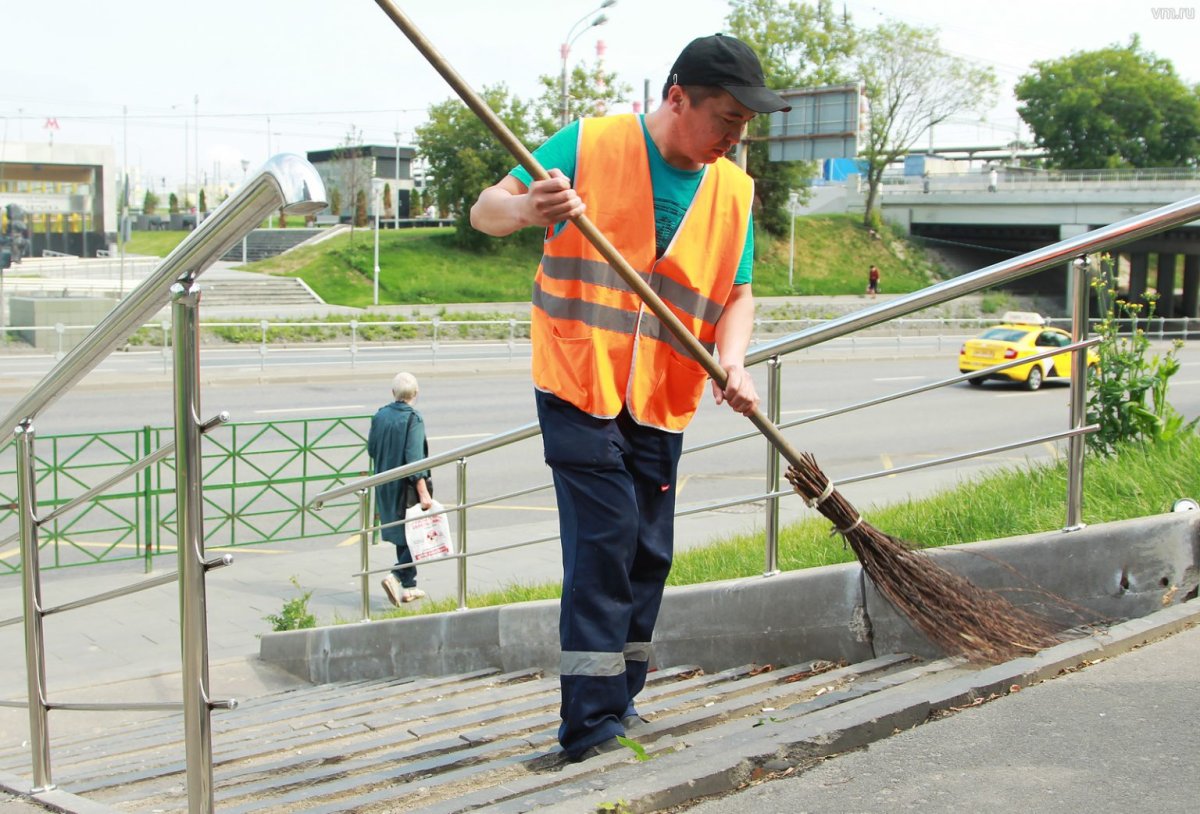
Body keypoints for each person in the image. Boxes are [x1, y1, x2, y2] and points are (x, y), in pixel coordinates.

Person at [471, 33, 787, 763]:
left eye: (745, 126)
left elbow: (738, 292)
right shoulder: (592, 142)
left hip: (661, 394)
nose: (734, 138)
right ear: (677, 98)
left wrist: (732, 360)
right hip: (579, 379)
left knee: (649, 552)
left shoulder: (734, 189)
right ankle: (588, 728)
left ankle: (621, 699)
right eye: (726, 119)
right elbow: (487, 208)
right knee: (606, 539)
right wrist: (526, 210)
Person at [368, 371, 433, 606]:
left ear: (393, 392)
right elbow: (415, 458)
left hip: (384, 481)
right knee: (420, 533)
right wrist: (423, 492)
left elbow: (372, 449)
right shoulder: (413, 418)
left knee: (403, 535)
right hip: (406, 488)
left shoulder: (380, 416)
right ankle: (396, 575)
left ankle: (409, 587)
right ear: (416, 393)